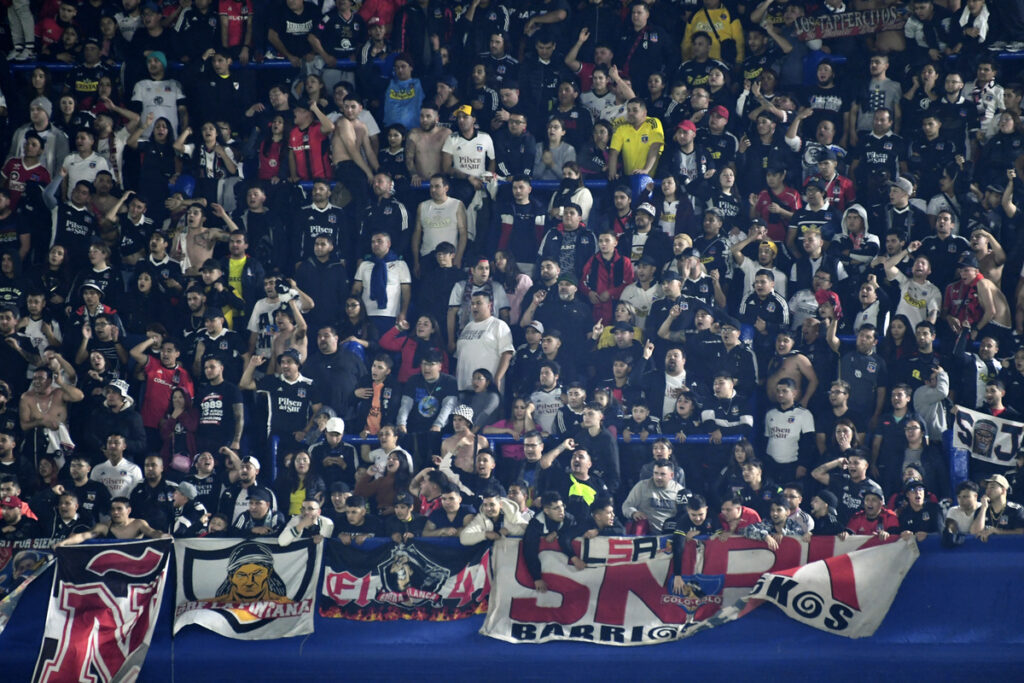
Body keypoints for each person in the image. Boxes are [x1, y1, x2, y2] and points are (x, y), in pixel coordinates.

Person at [522, 491, 578, 593]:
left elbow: (578, 529)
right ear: (546, 511)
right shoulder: (536, 524)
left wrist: (557, 532)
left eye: (562, 506)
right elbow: (529, 552)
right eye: (556, 508)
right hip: (546, 574)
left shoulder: (569, 519)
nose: (561, 511)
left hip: (569, 574)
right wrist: (537, 578)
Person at [56, 497, 168, 545]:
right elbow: (83, 536)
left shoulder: (138, 524)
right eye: (113, 509)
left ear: (128, 510)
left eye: (119, 509)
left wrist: (164, 537)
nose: (115, 512)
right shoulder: (103, 527)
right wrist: (63, 543)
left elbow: (152, 533)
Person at [621, 459, 683, 534]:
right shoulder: (642, 486)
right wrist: (634, 513)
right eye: (656, 473)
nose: (658, 477)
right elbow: (626, 505)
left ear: (671, 475)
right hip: (647, 532)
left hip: (670, 532)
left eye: (662, 474)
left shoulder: (680, 491)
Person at [458, 487, 527, 545]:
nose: (488, 509)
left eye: (492, 505)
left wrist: (507, 531)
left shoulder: (511, 513)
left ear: (500, 504)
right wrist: (485, 534)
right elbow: (463, 538)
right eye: (485, 505)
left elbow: (526, 529)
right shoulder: (481, 518)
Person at [971, 474, 1024, 541]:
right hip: (987, 549)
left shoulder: (1015, 510)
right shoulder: (981, 509)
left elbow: (1021, 532)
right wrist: (983, 509)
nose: (988, 490)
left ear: (1003, 490)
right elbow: (974, 533)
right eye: (987, 488)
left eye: (992, 487)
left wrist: (999, 532)